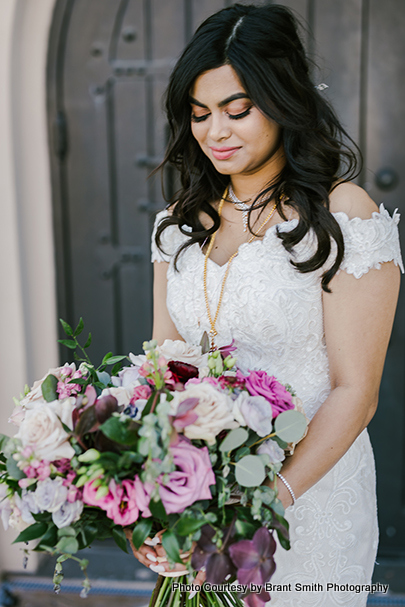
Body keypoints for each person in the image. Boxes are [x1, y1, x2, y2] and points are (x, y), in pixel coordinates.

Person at [129, 4, 403, 605]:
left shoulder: (343, 216)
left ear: (283, 101)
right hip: (202, 499)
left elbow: (357, 390)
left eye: (238, 110)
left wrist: (255, 506)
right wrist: (149, 500)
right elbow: (164, 368)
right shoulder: (175, 226)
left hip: (308, 494)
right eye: (199, 114)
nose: (215, 132)